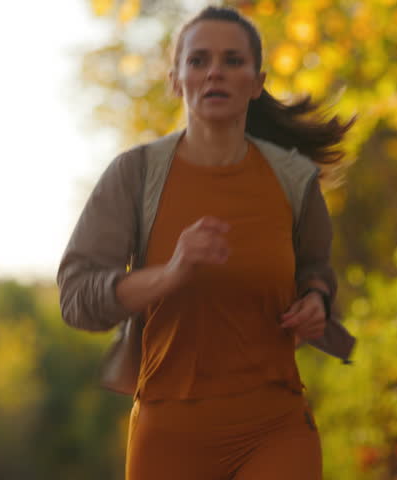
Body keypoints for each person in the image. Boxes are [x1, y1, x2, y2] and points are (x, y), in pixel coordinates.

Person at [57, 6, 356, 480]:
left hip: (275, 426)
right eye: (198, 61)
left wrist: (317, 299)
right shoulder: (134, 177)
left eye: (232, 61)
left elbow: (315, 268)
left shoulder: (294, 180)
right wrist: (171, 273)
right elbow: (76, 298)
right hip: (169, 432)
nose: (214, 71)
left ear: (256, 83)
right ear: (175, 80)